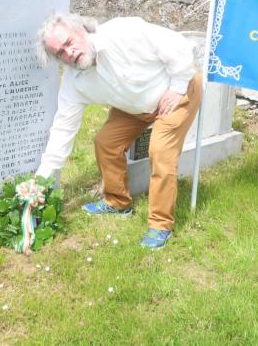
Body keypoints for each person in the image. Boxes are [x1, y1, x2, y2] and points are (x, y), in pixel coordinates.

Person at [35, 13, 201, 249]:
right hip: (135, 107)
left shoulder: (125, 32)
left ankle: (160, 224)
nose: (68, 53)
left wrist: (177, 85)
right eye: (60, 53)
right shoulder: (74, 83)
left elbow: (177, 45)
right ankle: (117, 202)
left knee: (161, 151)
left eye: (68, 42)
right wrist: (41, 180)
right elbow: (62, 129)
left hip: (177, 92)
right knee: (106, 142)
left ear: (82, 29)